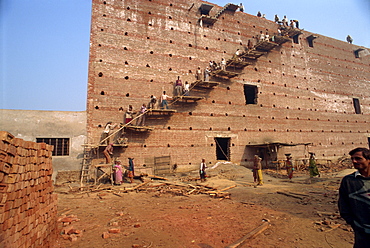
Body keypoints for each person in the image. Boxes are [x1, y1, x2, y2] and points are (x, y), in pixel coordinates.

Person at [338, 147, 370, 248]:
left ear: (369, 160)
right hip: (362, 232)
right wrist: (355, 224)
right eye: (352, 159)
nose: (354, 161)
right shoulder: (348, 181)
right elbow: (343, 205)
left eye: (358, 158)